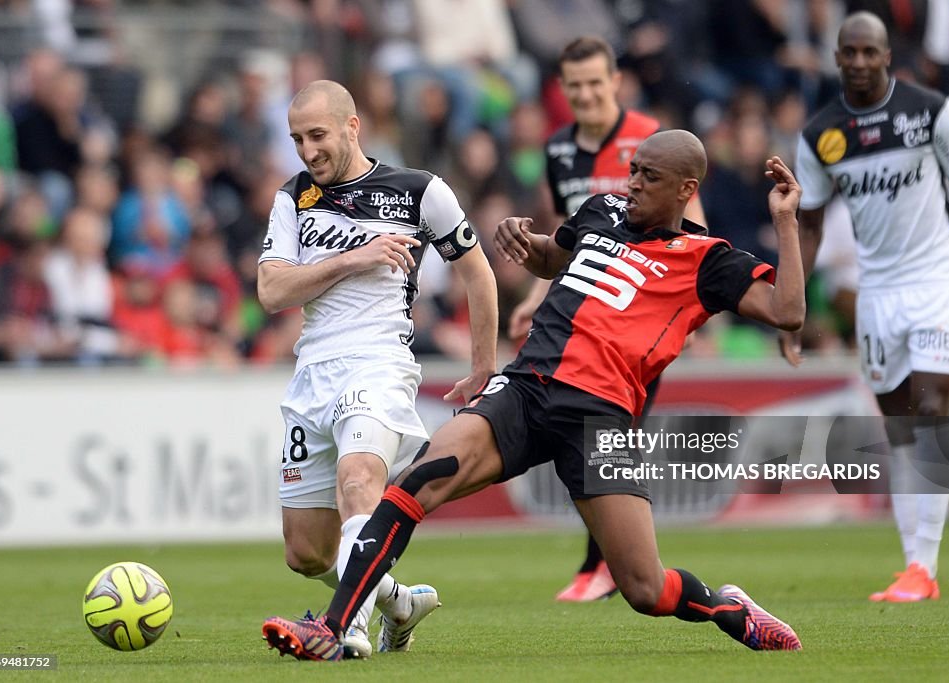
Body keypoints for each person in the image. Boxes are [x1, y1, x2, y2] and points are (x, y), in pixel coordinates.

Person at [261, 130, 806, 661]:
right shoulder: (602, 211)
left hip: (600, 418)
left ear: (686, 190)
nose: (633, 183)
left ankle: (727, 606)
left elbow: (788, 312)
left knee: (643, 587)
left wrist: (784, 222)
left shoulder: (706, 259)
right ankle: (335, 627)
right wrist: (526, 244)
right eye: (633, 169)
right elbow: (556, 257)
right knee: (413, 485)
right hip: (525, 389)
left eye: (649, 176)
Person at [257, 80, 499, 658]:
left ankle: (347, 628)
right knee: (305, 554)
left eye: (317, 136)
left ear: (352, 126)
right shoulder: (293, 198)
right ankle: (399, 603)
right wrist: (355, 258)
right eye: (297, 139)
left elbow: (478, 275)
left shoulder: (419, 191)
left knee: (358, 481)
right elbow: (271, 290)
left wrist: (484, 366)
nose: (307, 151)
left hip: (379, 364)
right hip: (312, 373)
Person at [782, 11, 949, 602]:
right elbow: (812, 226)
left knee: (931, 408)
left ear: (885, 56)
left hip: (938, 280)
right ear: (837, 59)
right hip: (878, 293)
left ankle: (924, 566)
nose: (857, 62)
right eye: (847, 53)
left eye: (867, 52)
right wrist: (790, 305)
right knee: (902, 427)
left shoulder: (930, 110)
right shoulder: (821, 135)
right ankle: (913, 567)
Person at [510, 35, 707, 602]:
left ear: (615, 81)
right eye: (575, 86)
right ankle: (604, 562)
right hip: (581, 308)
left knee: (615, 428)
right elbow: (564, 237)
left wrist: (691, 307)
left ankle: (605, 562)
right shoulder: (557, 150)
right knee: (596, 430)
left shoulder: (649, 138)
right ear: (563, 91)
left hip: (641, 311)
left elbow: (692, 223)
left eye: (596, 82)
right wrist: (533, 294)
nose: (587, 94)